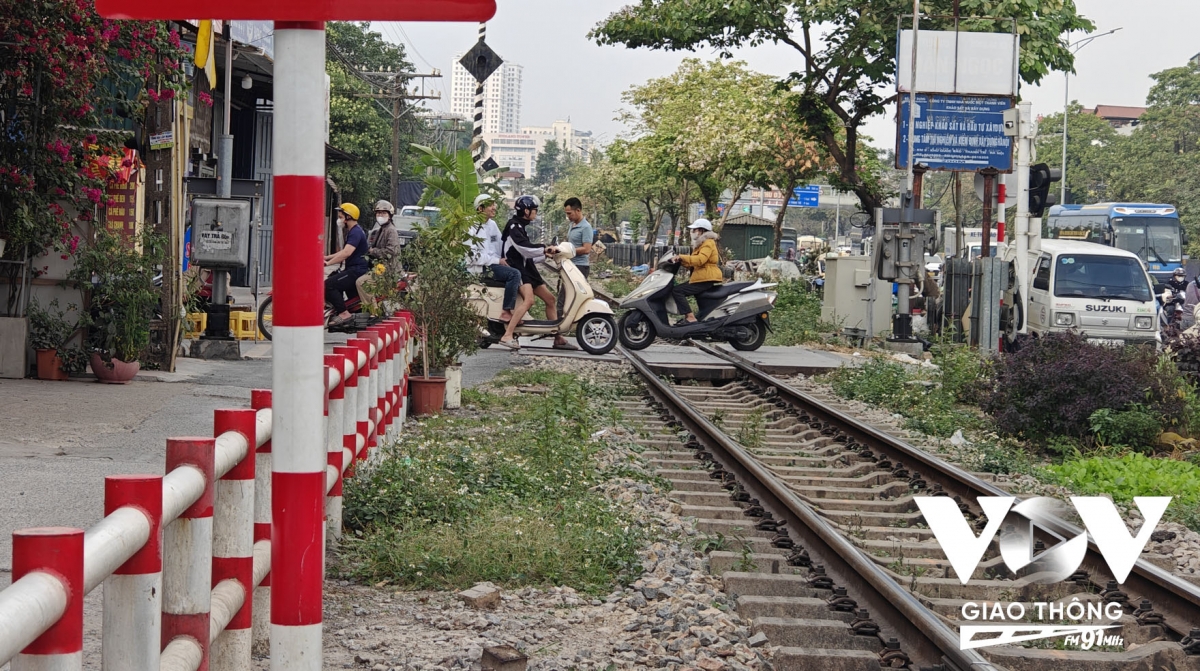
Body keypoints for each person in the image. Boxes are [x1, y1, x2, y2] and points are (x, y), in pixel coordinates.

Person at [501, 195, 575, 350]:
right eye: (534, 210)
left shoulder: (521, 227)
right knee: (529, 300)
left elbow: (528, 255)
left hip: (527, 267)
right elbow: (524, 248)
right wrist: (544, 248)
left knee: (550, 299)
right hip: (517, 268)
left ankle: (558, 338)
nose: (535, 213)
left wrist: (545, 254)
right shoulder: (513, 226)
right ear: (526, 211)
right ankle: (507, 335)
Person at [467, 194, 522, 324]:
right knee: (514, 274)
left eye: (494, 204)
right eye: (491, 205)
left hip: (493, 264)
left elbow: (500, 245)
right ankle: (506, 312)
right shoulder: (470, 226)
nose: (494, 207)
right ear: (480, 208)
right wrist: (498, 261)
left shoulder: (492, 225)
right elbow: (472, 256)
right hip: (479, 268)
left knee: (519, 269)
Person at [324, 203, 369, 327]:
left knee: (329, 285)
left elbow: (346, 253)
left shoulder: (355, 233)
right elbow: (344, 251)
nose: (339, 219)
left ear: (348, 217)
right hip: (353, 269)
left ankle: (343, 314)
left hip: (356, 270)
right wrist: (327, 257)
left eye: (341, 216)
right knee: (353, 300)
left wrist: (327, 263)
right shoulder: (353, 231)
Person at [670, 219, 723, 324]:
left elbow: (700, 260)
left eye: (694, 230)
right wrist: (681, 261)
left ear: (701, 230)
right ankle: (700, 318)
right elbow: (693, 262)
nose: (692, 232)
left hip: (706, 277)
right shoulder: (701, 243)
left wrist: (681, 257)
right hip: (702, 276)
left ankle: (690, 317)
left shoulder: (708, 243)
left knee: (677, 291)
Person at [356, 200, 402, 308]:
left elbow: (391, 251)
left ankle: (373, 312)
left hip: (388, 270)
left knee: (361, 282)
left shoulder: (391, 230)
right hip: (380, 268)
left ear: (390, 215)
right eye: (378, 213)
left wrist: (374, 251)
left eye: (383, 213)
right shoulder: (381, 230)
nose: (380, 215)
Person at [563, 197, 594, 278]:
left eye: (570, 213)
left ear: (578, 210)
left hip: (580, 266)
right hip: (570, 264)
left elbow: (587, 249)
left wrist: (567, 251)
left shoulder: (586, 227)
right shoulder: (572, 225)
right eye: (566, 213)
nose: (568, 216)